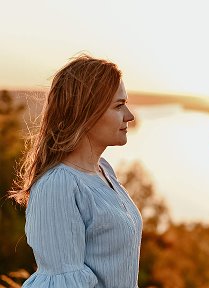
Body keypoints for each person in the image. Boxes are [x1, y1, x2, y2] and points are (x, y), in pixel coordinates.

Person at [9, 54, 143, 288]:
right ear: (86, 113)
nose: (129, 116)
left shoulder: (104, 170)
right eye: (119, 105)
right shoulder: (58, 185)